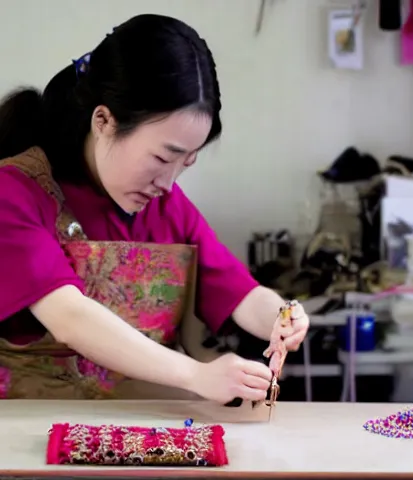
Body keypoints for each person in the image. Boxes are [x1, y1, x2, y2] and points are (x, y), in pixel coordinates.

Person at [0, 14, 309, 402]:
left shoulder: (164, 206)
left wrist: (283, 316)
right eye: (164, 158)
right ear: (104, 121)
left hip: (149, 435)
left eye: (187, 163)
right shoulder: (15, 192)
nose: (169, 183)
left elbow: (240, 293)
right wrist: (197, 375)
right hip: (27, 438)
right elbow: (69, 317)